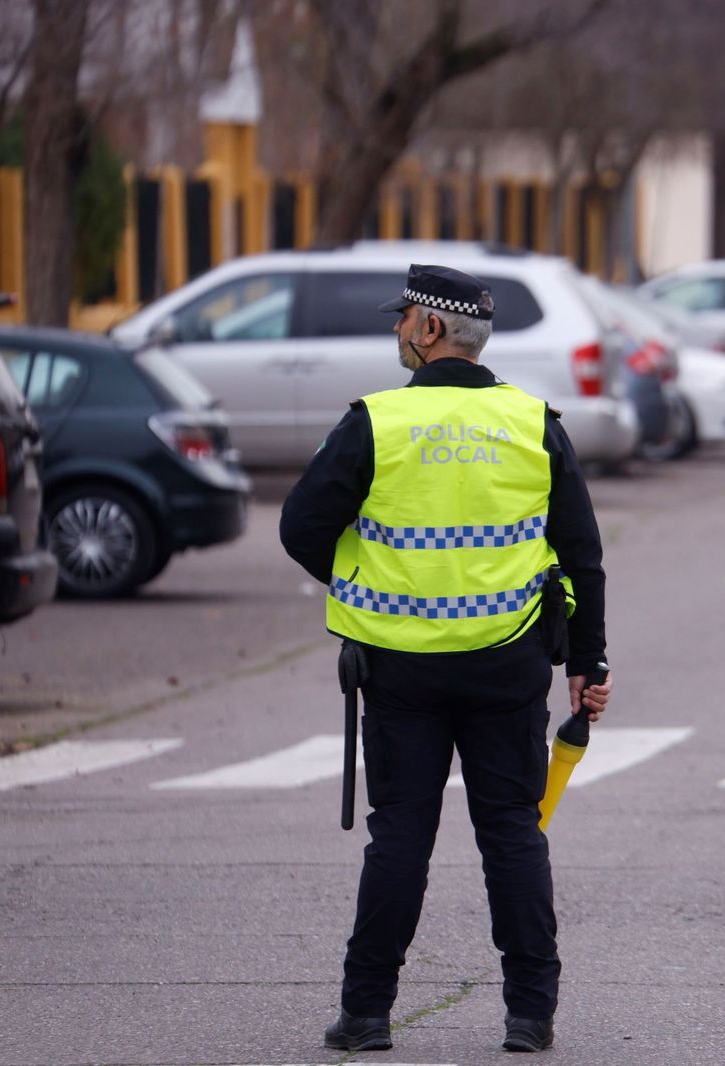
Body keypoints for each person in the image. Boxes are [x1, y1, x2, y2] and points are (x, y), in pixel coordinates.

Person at [279, 263, 611, 1055]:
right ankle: (531, 1016)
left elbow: (301, 528)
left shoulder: (377, 424)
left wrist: (370, 583)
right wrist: (587, 665)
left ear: (430, 329)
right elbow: (583, 553)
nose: (397, 331)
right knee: (513, 834)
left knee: (400, 838)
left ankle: (365, 1015)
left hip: (400, 672)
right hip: (508, 668)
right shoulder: (533, 422)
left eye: (405, 320)